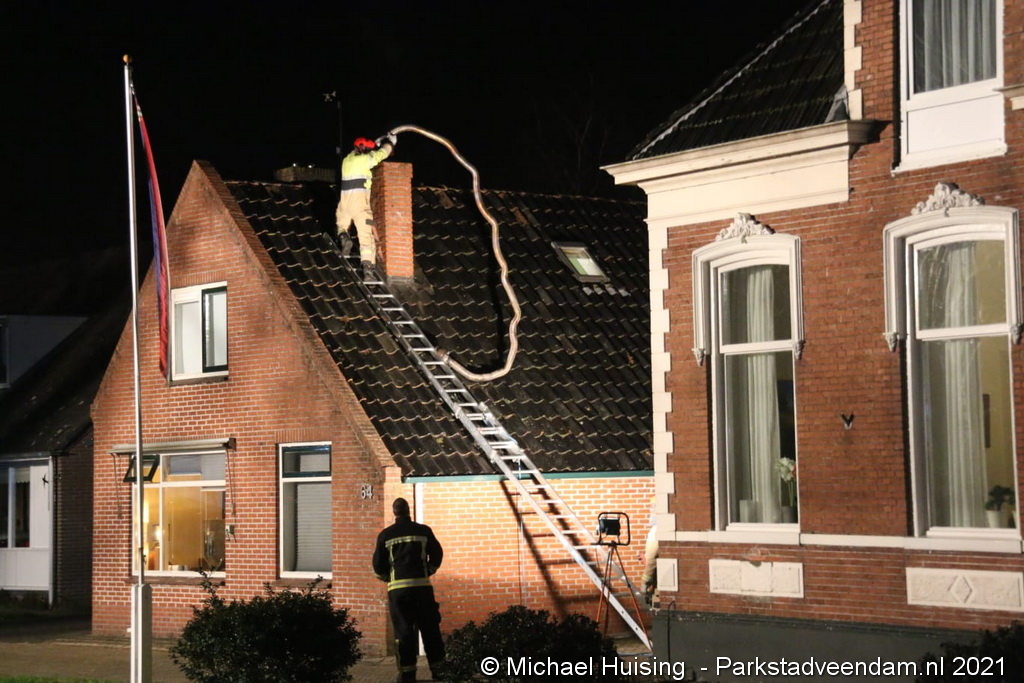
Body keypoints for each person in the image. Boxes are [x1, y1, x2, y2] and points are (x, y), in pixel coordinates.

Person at [373, 497, 446, 683]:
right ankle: (439, 672)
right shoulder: (423, 530)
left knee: (404, 632)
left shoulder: (386, 535)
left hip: (398, 592)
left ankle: (407, 674)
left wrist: (388, 578)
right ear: (408, 510)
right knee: (430, 630)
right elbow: (437, 553)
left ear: (394, 512)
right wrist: (429, 569)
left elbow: (378, 565)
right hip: (422, 588)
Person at [335, 133, 396, 278]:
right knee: (366, 237)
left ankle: (344, 238)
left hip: (344, 203)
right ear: (364, 150)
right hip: (360, 205)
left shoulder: (346, 160)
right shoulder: (364, 160)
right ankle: (368, 269)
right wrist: (390, 144)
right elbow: (380, 155)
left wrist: (377, 143)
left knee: (341, 225)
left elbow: (370, 150)